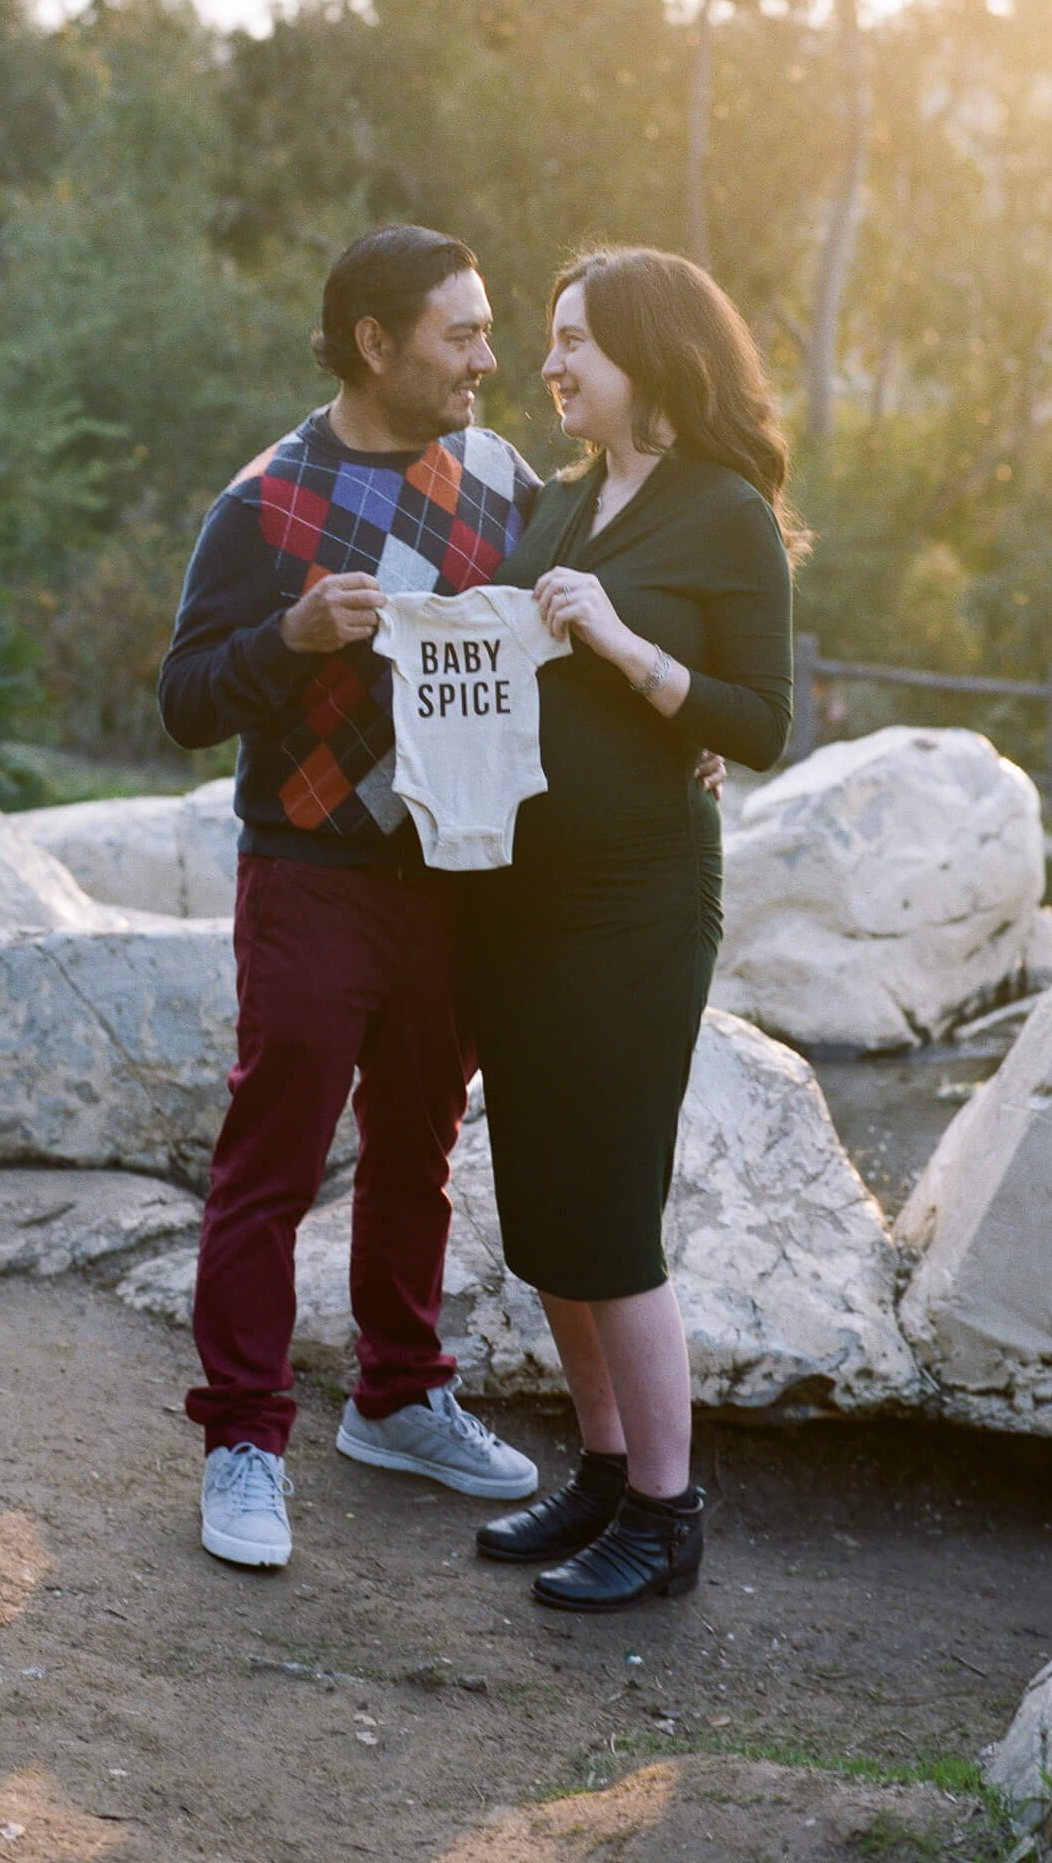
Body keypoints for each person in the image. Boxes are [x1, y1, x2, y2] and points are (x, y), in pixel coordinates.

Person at [157, 225, 542, 1571]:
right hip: (310, 878)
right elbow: (184, 700)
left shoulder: (498, 476)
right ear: (376, 344)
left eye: (490, 330)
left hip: (456, 878)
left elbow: (567, 624)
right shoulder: (263, 503)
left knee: (417, 1153)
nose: (489, 359)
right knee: (272, 1164)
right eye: (463, 334)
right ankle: (246, 1443)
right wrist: (289, 637)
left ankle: (397, 1396)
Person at [460, 246, 799, 1611]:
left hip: (642, 904)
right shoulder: (550, 507)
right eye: (548, 341)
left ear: (651, 355)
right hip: (522, 899)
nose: (553, 365)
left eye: (576, 342)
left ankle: (667, 1515)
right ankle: (601, 1474)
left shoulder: (728, 516)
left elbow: (760, 725)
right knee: (541, 1202)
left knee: (609, 1209)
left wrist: (624, 646)